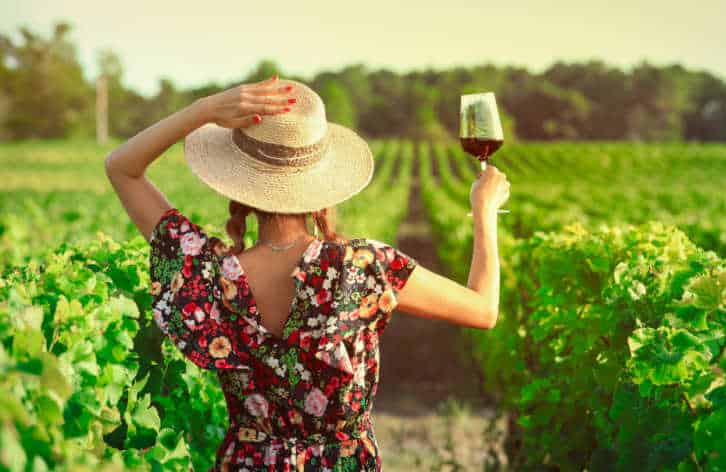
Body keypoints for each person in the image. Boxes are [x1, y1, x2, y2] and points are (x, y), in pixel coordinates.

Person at [105, 75, 510, 471]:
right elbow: (483, 310)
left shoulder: (207, 272)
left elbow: (121, 167)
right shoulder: (364, 267)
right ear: (322, 184)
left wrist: (205, 110)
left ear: (237, 185)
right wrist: (483, 210)